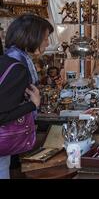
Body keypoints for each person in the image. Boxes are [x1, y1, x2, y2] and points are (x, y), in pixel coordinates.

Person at [0, 14, 53, 179]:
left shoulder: (7, 59)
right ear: (32, 38)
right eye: (45, 38)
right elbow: (2, 115)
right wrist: (33, 104)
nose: (48, 43)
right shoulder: (18, 68)